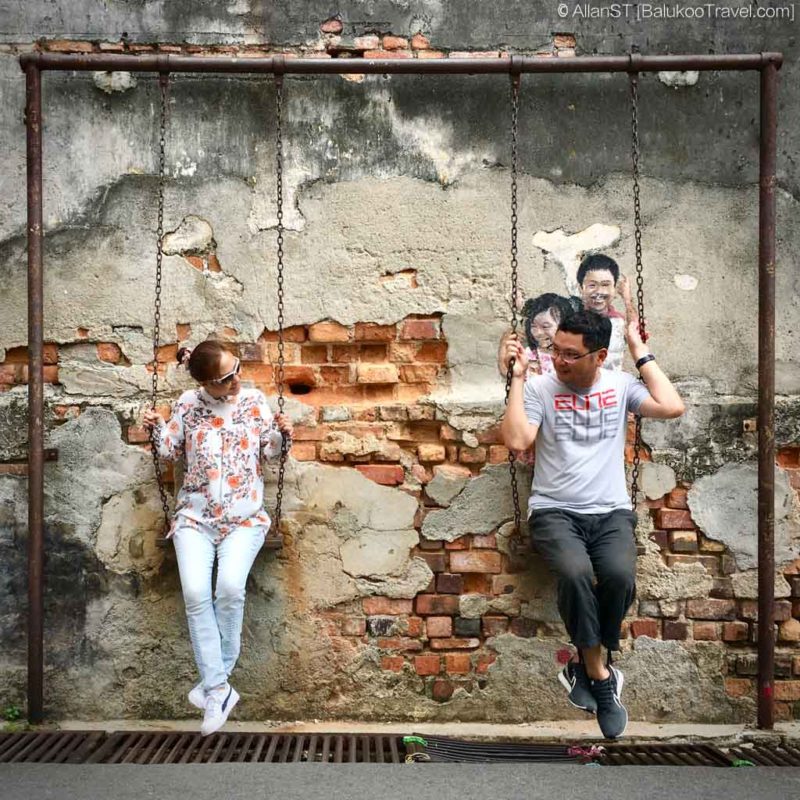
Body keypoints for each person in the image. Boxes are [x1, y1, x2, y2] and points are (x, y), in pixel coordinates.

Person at [500, 310, 684, 739]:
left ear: (599, 356)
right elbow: (517, 440)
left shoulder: (620, 386)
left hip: (611, 511)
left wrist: (640, 351)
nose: (559, 360)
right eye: (555, 350)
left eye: (571, 354)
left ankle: (585, 668)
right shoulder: (541, 388)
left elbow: (672, 406)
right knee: (575, 573)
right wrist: (518, 378)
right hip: (554, 511)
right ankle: (600, 676)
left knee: (619, 577)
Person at [143, 340, 293, 736]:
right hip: (195, 518)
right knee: (196, 594)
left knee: (228, 589)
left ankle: (215, 685)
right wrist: (155, 427)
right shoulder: (188, 405)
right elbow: (169, 450)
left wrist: (282, 435)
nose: (236, 380)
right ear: (207, 383)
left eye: (237, 369)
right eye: (226, 378)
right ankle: (219, 689)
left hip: (245, 520)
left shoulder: (255, 402)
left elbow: (271, 452)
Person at [571, 254, 635, 372]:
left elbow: (637, 335)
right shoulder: (571, 323)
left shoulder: (619, 321)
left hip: (614, 382)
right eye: (592, 285)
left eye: (605, 285)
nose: (599, 291)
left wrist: (627, 299)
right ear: (580, 288)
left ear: (614, 288)